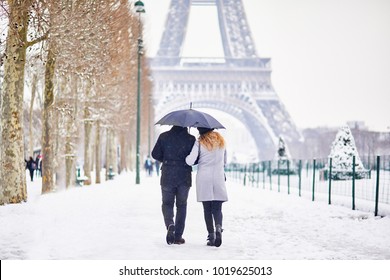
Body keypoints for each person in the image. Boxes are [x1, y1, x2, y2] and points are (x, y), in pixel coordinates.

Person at [151, 125, 196, 245]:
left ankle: (170, 224)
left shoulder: (164, 136)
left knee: (167, 203)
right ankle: (178, 236)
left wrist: (166, 159)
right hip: (184, 176)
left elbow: (155, 154)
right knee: (182, 206)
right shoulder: (191, 139)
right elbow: (195, 159)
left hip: (167, 175)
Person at [185, 127, 228, 247]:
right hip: (218, 177)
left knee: (207, 209)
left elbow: (190, 161)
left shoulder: (199, 142)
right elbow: (225, 161)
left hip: (204, 178)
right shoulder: (221, 142)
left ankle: (211, 236)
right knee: (217, 208)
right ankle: (218, 227)